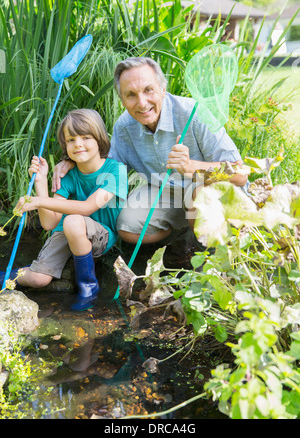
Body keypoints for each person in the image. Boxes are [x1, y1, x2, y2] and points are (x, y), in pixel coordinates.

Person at [52, 57, 247, 253]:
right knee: (127, 227)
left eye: (148, 90)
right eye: (131, 95)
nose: (142, 102)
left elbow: (241, 173)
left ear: (163, 89)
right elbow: (108, 168)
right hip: (167, 190)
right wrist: (73, 160)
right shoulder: (124, 127)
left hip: (209, 190)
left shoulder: (193, 113)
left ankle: (212, 258)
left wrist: (190, 166)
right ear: (122, 100)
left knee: (200, 196)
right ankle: (181, 240)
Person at [5, 109, 128, 311]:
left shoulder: (115, 170)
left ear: (100, 140)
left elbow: (87, 207)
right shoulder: (68, 175)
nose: (78, 144)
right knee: (38, 279)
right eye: (71, 140)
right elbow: (49, 223)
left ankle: (87, 288)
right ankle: (5, 276)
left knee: (73, 220)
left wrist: (38, 202)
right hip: (65, 231)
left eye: (86, 137)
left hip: (99, 235)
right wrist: (41, 181)